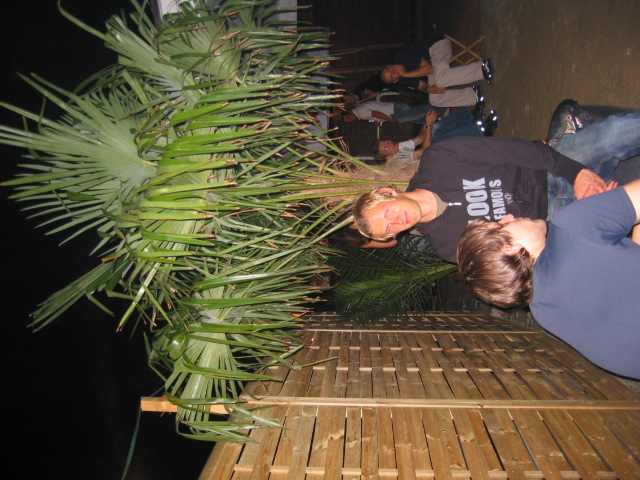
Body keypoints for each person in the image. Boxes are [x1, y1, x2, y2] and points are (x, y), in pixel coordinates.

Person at [352, 112, 640, 263]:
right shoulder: (449, 246)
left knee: (617, 131)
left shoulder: (439, 159)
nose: (396, 222)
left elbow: (518, 150)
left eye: (387, 213)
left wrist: (576, 174)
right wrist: (596, 212)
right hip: (555, 222)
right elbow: (526, 257)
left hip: (548, 170)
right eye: (388, 229)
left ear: (388, 193)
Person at [456, 180, 640, 379]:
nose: (509, 216)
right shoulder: (572, 228)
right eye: (503, 224)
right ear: (510, 248)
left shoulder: (543, 311)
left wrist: (610, 211)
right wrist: (598, 211)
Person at [381, 37, 494, 108]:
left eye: (389, 70)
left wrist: (405, 74)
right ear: (395, 81)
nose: (393, 71)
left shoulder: (402, 58)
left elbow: (430, 69)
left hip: (437, 47)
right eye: (392, 75)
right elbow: (421, 86)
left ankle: (483, 67)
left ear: (389, 66)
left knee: (441, 81)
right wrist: (429, 89)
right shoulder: (403, 79)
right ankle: (474, 95)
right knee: (434, 100)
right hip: (433, 66)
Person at [372, 107, 498, 164]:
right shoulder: (397, 161)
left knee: (434, 129)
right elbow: (425, 151)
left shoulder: (398, 147)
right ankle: (482, 131)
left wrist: (427, 123)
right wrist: (428, 125)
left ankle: (474, 117)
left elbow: (419, 139)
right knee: (436, 142)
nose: (389, 143)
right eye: (386, 148)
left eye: (386, 142)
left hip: (430, 155)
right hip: (437, 165)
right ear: (388, 157)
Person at [340, 100, 445, 126]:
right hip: (394, 108)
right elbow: (376, 113)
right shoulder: (359, 109)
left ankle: (443, 107)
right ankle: (441, 116)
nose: (350, 119)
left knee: (419, 113)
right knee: (418, 119)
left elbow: (376, 113)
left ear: (349, 112)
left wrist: (389, 119)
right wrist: (380, 121)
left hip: (394, 112)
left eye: (348, 117)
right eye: (348, 121)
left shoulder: (360, 113)